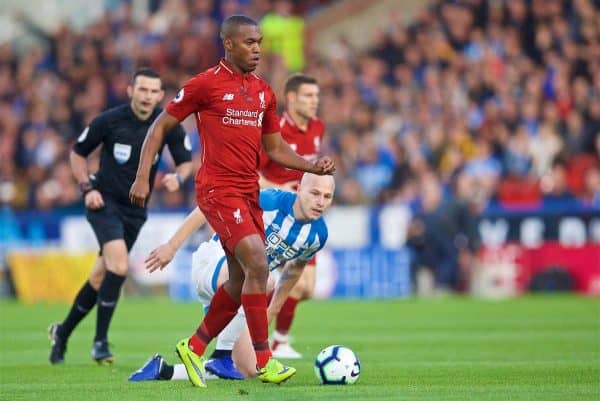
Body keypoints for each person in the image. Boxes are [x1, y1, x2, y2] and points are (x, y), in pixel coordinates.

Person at [129, 15, 334, 387]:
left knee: (241, 281)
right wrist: (143, 175)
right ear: (228, 44)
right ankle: (265, 359)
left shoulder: (263, 92)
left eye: (259, 42)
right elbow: (160, 126)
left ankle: (192, 348)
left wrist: (310, 166)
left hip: (247, 192)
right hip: (216, 190)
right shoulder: (205, 85)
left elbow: (273, 147)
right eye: (249, 43)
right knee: (259, 262)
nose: (257, 49)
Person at [48, 68, 193, 365]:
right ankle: (100, 342)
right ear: (130, 91)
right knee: (119, 264)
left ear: (160, 95)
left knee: (101, 276)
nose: (147, 96)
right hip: (104, 202)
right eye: (142, 90)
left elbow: (186, 162)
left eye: (154, 91)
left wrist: (178, 178)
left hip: (136, 210)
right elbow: (77, 153)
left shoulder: (168, 124)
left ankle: (61, 333)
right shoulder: (109, 120)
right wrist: (87, 187)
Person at [128, 173, 334, 382]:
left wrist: (273, 309)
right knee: (263, 277)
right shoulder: (269, 201)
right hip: (213, 262)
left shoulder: (318, 235)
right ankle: (219, 351)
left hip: (248, 290)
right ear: (299, 189)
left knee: (248, 369)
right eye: (315, 193)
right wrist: (172, 246)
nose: (320, 202)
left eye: (327, 197)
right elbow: (209, 207)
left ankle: (163, 370)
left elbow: (295, 268)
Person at [259, 73, 324, 359]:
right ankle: (274, 341)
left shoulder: (318, 127)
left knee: (306, 288)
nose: (315, 102)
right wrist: (279, 189)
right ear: (292, 98)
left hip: (304, 216)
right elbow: (251, 173)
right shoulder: (275, 130)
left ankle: (269, 336)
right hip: (275, 215)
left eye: (317, 96)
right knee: (290, 283)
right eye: (309, 96)